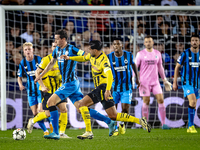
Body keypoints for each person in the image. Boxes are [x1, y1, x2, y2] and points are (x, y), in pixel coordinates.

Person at [34, 29, 116, 140]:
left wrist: (86, 57)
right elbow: (51, 63)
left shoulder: (71, 48)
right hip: (72, 84)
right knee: (80, 107)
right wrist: (40, 75)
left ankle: (56, 133)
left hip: (70, 83)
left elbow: (84, 54)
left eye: (57, 39)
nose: (55, 41)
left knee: (50, 102)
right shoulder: (57, 50)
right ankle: (108, 121)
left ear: (63, 39)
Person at [64, 40, 151, 140]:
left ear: (95, 50)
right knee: (113, 115)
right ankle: (140, 121)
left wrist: (107, 90)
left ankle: (89, 132)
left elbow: (109, 75)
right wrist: (69, 57)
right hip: (102, 89)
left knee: (81, 105)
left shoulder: (103, 60)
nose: (88, 50)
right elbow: (83, 58)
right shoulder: (91, 56)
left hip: (103, 88)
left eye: (90, 49)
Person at [27, 42, 70, 138]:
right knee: (47, 113)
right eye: (54, 46)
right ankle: (33, 121)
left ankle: (62, 133)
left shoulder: (64, 60)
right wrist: (42, 86)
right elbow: (37, 72)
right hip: (47, 90)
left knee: (64, 109)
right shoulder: (46, 59)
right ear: (51, 48)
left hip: (59, 89)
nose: (56, 48)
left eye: (58, 46)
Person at [135, 35, 172, 130]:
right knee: (146, 101)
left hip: (155, 82)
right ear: (144, 43)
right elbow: (135, 67)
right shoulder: (140, 54)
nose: (148, 43)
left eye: (149, 41)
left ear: (153, 42)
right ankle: (145, 124)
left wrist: (165, 79)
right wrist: (133, 78)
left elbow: (160, 67)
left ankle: (163, 124)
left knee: (161, 100)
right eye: (146, 42)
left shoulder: (157, 53)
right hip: (144, 82)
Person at [107, 38, 140, 136]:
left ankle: (122, 124)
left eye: (118, 44)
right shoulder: (109, 57)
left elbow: (134, 65)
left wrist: (137, 78)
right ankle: (115, 129)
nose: (116, 46)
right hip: (114, 88)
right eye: (114, 44)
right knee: (113, 110)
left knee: (125, 109)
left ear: (122, 45)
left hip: (127, 87)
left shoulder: (128, 55)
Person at [17, 42, 49, 136]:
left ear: (32, 49)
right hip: (30, 91)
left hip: (40, 89)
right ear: (23, 51)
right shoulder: (22, 62)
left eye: (29, 49)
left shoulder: (39, 59)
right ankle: (45, 131)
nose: (28, 51)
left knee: (41, 110)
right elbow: (19, 76)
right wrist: (20, 85)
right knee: (35, 113)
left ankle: (52, 128)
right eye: (26, 50)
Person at [173, 35, 200, 133]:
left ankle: (190, 126)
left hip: (197, 82)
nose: (194, 42)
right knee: (192, 102)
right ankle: (190, 126)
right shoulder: (185, 53)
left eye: (196, 40)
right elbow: (177, 67)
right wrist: (175, 82)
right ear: (190, 42)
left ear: (199, 42)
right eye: (193, 40)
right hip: (187, 82)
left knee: (193, 104)